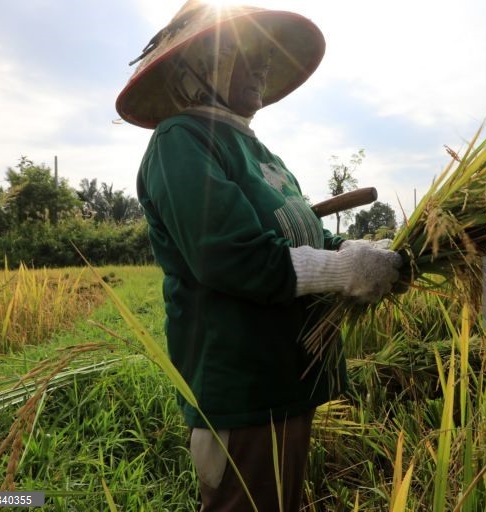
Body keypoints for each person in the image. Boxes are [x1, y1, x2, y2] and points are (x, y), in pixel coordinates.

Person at [115, 2, 402, 511]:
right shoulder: (181, 140)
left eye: (265, 58)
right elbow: (230, 256)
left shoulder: (263, 155)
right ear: (197, 68)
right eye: (246, 53)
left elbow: (303, 234)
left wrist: (354, 252)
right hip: (241, 388)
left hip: (287, 379)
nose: (262, 68)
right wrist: (343, 270)